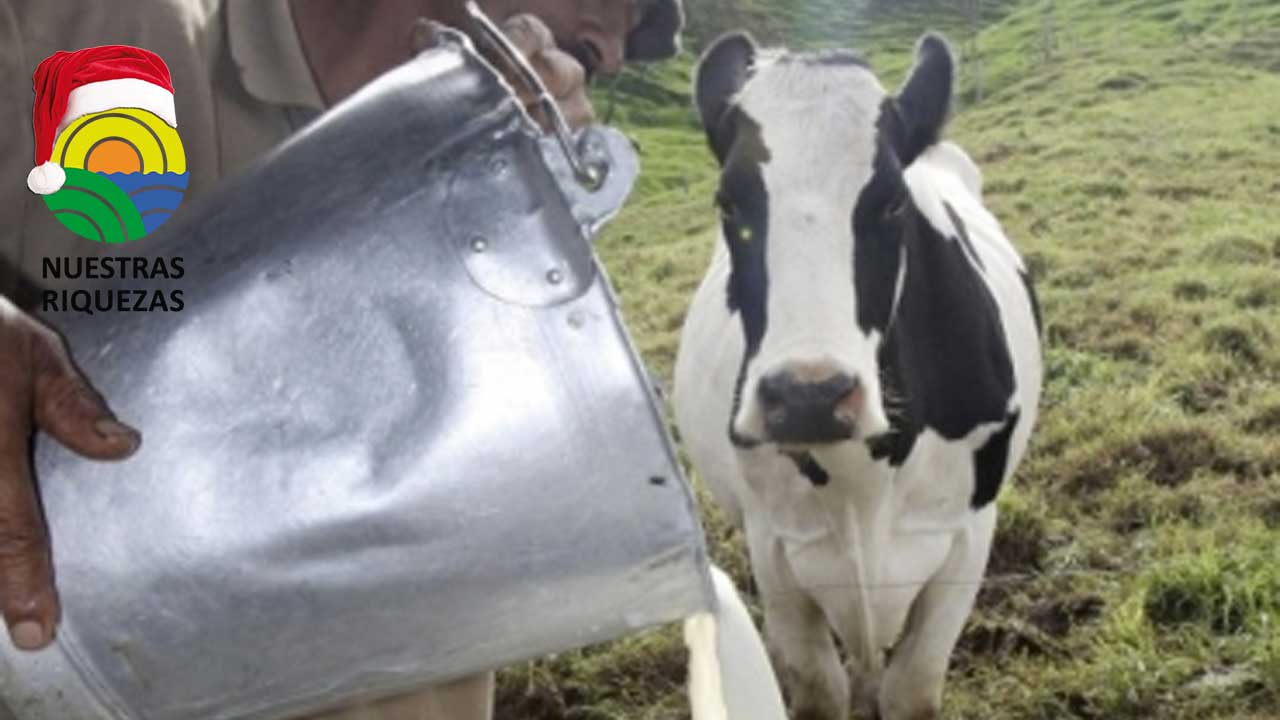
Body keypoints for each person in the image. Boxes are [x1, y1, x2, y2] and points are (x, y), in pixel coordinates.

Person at [0, 1, 682, 718]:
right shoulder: (82, 27)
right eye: (608, 7)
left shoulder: (499, 193)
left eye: (627, 39)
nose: (606, 55)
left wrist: (510, 198)